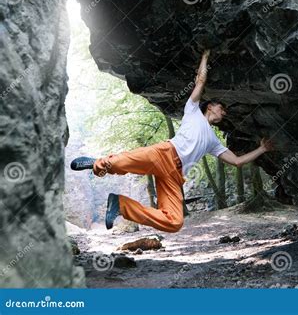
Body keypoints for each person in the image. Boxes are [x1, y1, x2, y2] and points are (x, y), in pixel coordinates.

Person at [70, 49, 273, 233]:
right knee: (119, 162)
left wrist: (262, 149)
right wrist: (205, 57)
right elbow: (200, 81)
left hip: (175, 177)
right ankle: (96, 164)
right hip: (164, 153)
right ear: (210, 106)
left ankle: (120, 205)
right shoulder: (192, 110)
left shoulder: (213, 141)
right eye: (222, 107)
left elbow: (237, 161)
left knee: (174, 222)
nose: (224, 111)